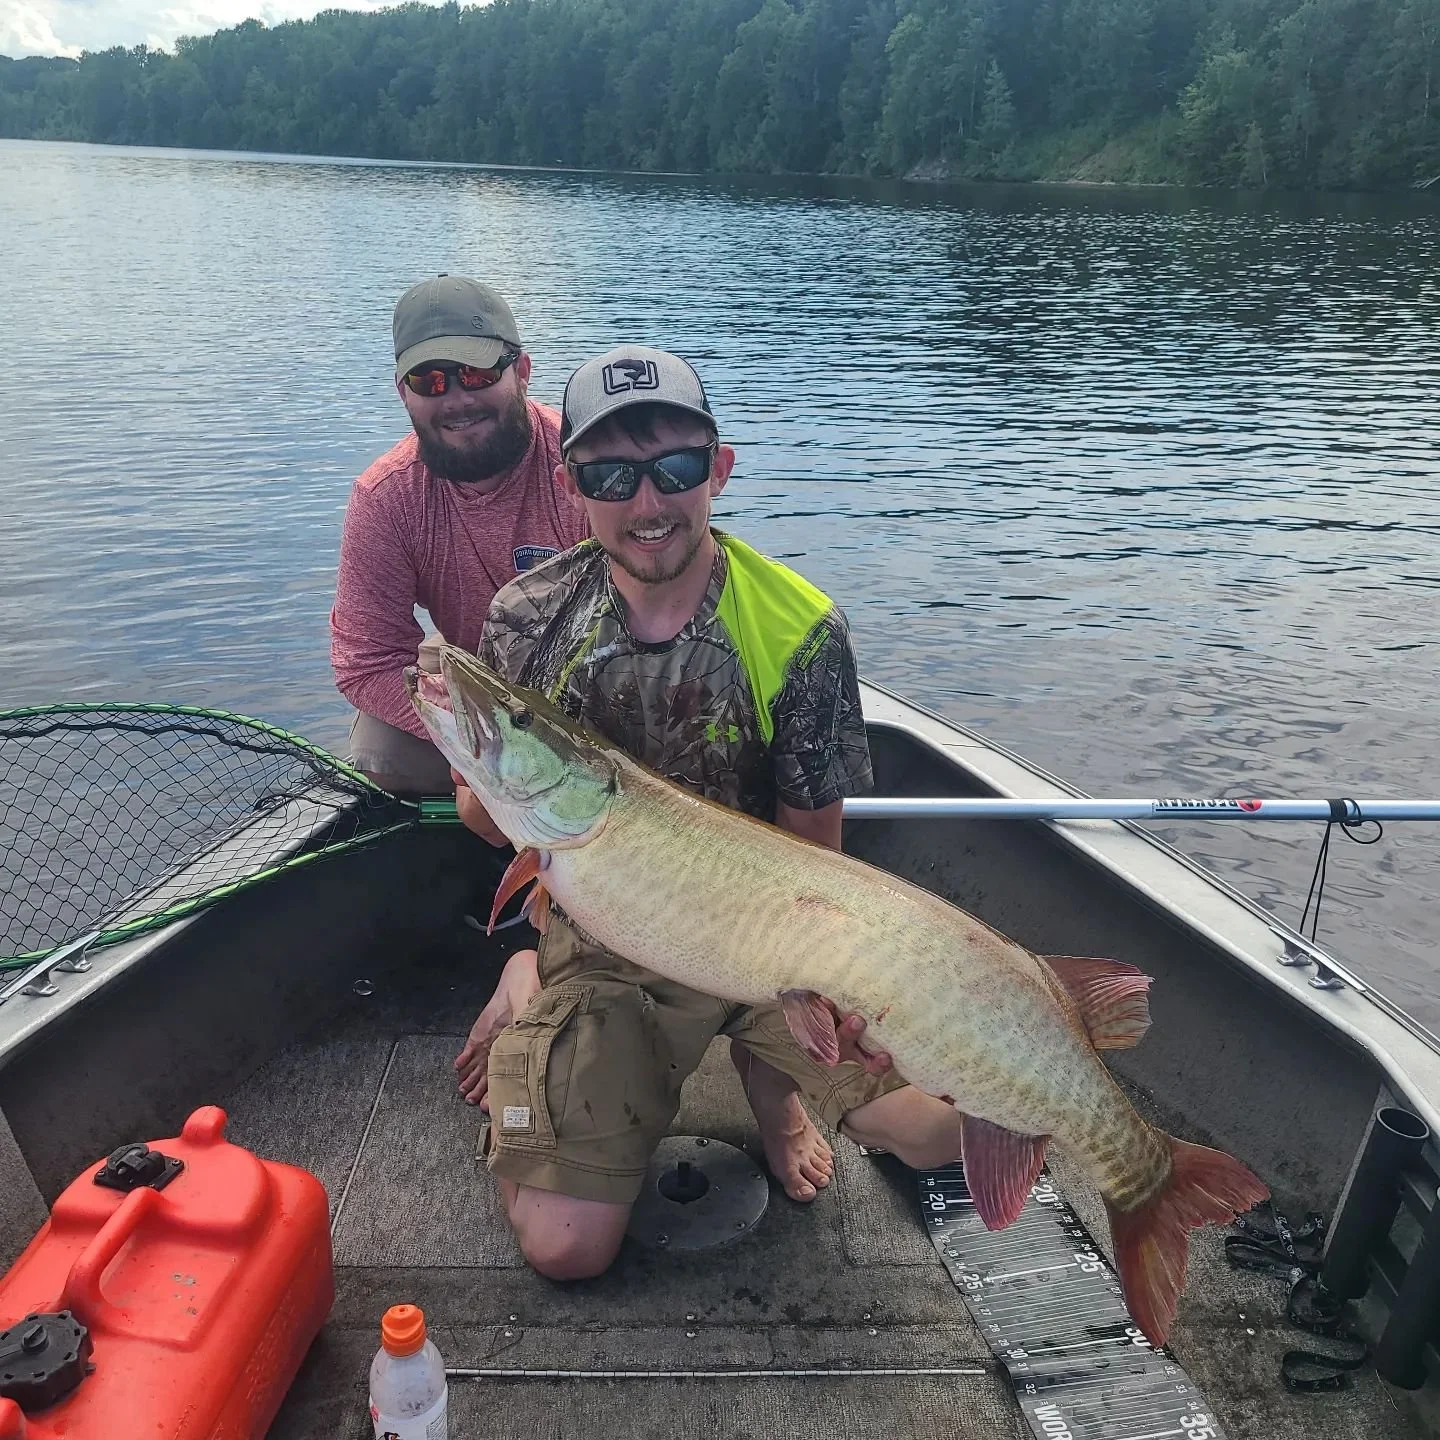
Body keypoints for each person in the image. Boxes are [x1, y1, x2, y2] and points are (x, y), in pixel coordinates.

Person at [451, 345, 966, 1281]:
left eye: (674, 468)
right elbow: (481, 817)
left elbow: (812, 853)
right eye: (611, 475)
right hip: (609, 944)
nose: (647, 504)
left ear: (718, 469)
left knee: (940, 1134)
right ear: (575, 488)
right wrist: (496, 795)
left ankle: (777, 1099)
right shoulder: (529, 619)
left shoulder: (799, 629)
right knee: (565, 1251)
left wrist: (828, 994)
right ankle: (535, 996)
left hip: (767, 938)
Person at [330, 275, 588, 795]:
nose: (455, 400)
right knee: (374, 754)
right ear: (404, 392)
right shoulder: (387, 497)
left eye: (474, 374)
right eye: (431, 382)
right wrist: (488, 743)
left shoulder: (587, 465)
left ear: (522, 371)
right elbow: (367, 660)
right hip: (486, 699)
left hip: (599, 694)